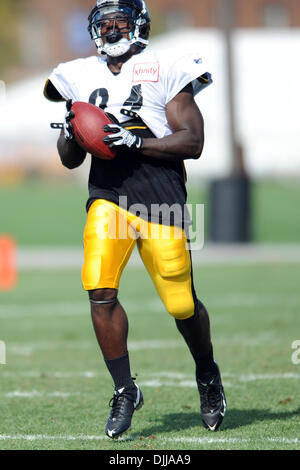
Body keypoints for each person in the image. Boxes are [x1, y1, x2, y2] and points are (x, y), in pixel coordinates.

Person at [44, 0, 226, 439]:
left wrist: (134, 142)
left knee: (181, 302)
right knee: (99, 287)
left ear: (138, 25)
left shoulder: (166, 66)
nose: (109, 31)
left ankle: (207, 373)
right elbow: (70, 161)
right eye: (102, 24)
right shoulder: (78, 75)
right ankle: (125, 389)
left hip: (159, 195)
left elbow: (194, 141)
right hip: (108, 195)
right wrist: (72, 132)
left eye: (118, 22)